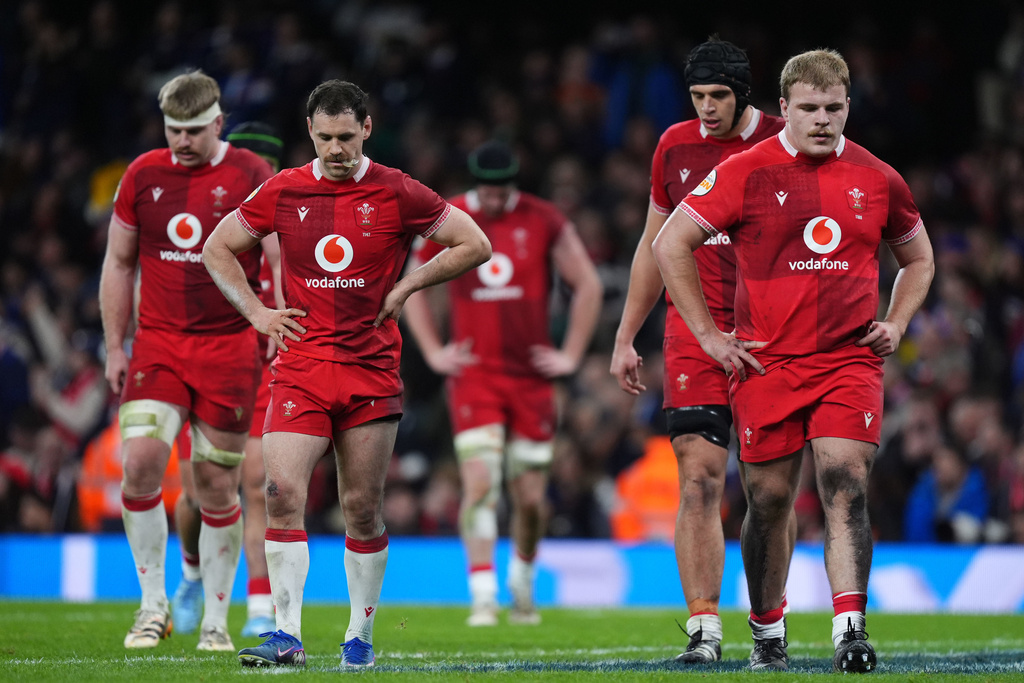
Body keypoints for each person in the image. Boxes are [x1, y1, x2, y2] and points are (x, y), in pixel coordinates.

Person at [651, 49, 934, 672]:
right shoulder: (745, 170)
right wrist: (708, 334)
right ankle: (767, 630)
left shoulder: (877, 176)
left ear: (848, 107)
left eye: (834, 108)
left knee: (846, 482)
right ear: (784, 109)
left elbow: (919, 258)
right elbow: (671, 242)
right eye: (809, 108)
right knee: (770, 501)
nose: (822, 120)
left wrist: (897, 321)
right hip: (767, 364)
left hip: (847, 360)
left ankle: (851, 630)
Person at [201, 79, 490, 668]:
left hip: (370, 369)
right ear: (310, 131)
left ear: (366, 129)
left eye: (345, 137)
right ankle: (287, 637)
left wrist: (409, 283)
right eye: (324, 137)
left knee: (362, 507)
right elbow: (216, 247)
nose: (335, 149)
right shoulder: (283, 190)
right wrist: (256, 312)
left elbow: (474, 243)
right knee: (279, 491)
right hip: (302, 365)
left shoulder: (397, 190)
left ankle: (359, 638)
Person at [609, 37, 795, 664]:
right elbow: (652, 242)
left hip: (772, 335)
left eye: (719, 96)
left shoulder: (786, 140)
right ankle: (705, 632)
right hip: (693, 332)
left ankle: (769, 630)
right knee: (697, 480)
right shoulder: (673, 144)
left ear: (744, 94)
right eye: (698, 96)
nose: (707, 108)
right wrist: (625, 334)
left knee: (769, 492)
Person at [99, 70, 275, 651]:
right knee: (142, 462)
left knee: (217, 486)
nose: (182, 141)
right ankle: (152, 607)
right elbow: (120, 263)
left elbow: (278, 255)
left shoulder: (251, 173)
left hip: (229, 347)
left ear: (218, 123)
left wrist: (272, 317)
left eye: (194, 131)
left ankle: (217, 622)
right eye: (174, 130)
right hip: (159, 343)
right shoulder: (142, 174)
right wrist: (113, 344)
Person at [402, 140, 603, 627]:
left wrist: (571, 354)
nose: (493, 203)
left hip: (531, 379)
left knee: (531, 498)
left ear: (515, 186)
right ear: (476, 186)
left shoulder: (543, 218)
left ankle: (523, 581)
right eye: (486, 193)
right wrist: (432, 352)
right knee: (480, 483)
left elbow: (589, 285)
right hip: (475, 377)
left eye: (502, 193)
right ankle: (484, 595)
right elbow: (410, 283)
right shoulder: (451, 217)